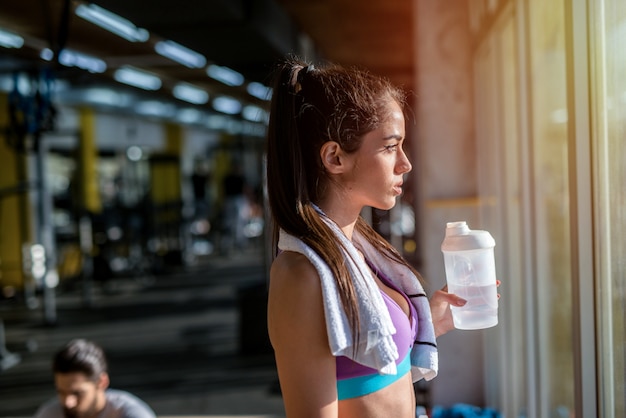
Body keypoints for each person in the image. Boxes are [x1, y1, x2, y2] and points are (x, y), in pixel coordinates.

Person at [265, 56, 470, 417]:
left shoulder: (360, 252)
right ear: (335, 157)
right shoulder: (300, 276)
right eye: (391, 147)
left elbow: (374, 363)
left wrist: (426, 323)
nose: (405, 163)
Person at [33, 339, 156, 418]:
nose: (67, 402)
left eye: (77, 393)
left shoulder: (131, 414)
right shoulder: (50, 413)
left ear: (102, 382)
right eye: (61, 392)